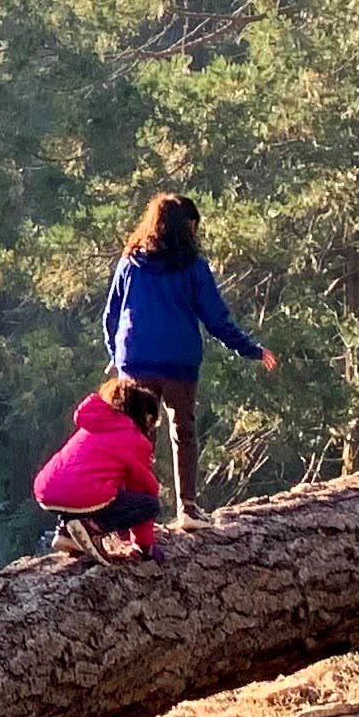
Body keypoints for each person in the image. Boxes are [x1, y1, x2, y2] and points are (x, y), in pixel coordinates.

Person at [100, 192, 274, 520]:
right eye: (194, 227)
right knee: (184, 431)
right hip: (178, 360)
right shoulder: (192, 267)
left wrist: (115, 353)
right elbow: (215, 318)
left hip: (135, 358)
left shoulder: (130, 262)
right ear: (186, 227)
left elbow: (112, 314)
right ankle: (188, 509)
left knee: (138, 438)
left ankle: (135, 515)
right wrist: (250, 348)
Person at [33, 375, 168, 561]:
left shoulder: (94, 425)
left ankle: (65, 532)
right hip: (82, 494)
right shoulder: (135, 439)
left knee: (91, 488)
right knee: (149, 505)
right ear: (147, 417)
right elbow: (142, 488)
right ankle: (93, 527)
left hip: (46, 491)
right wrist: (144, 546)